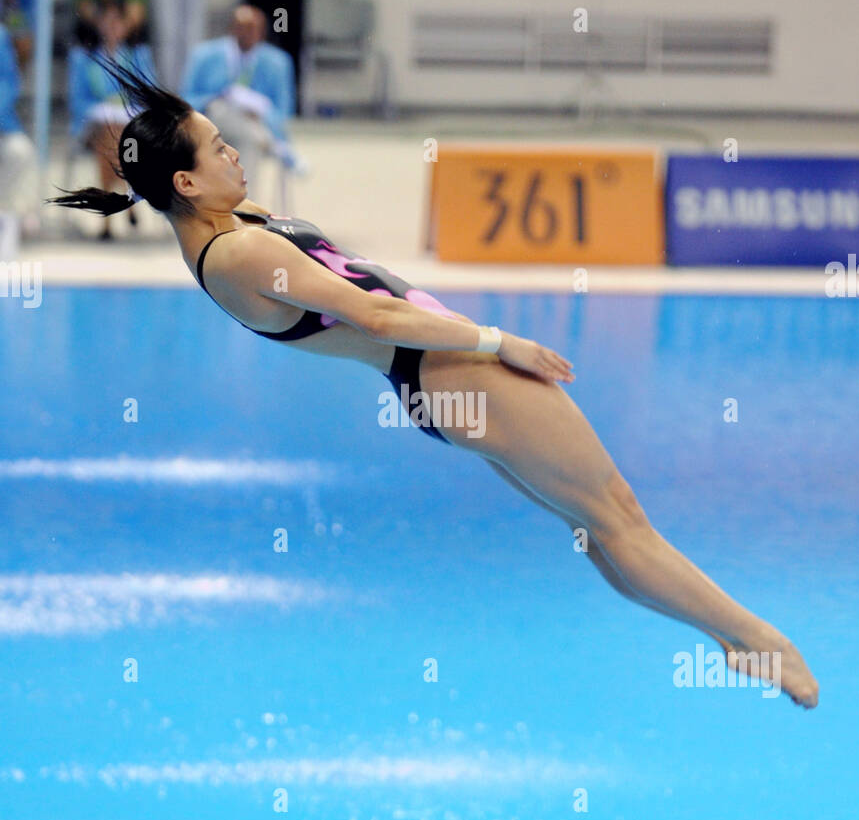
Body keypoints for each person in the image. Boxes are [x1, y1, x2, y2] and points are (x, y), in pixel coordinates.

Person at [48, 60, 820, 710]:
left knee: (595, 528)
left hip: (436, 377)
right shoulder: (234, 256)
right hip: (448, 368)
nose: (236, 153)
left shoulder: (224, 223)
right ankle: (760, 640)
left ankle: (730, 641)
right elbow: (379, 317)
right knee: (616, 515)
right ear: (186, 179)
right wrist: (499, 341)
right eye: (219, 148)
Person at [181, 4, 302, 189]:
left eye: (252, 29)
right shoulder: (204, 55)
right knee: (237, 123)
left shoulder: (278, 61)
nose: (246, 33)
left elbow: (284, 112)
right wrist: (217, 98)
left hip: (259, 126)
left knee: (249, 136)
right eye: (241, 27)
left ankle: (238, 202)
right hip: (213, 122)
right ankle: (243, 203)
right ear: (232, 28)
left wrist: (259, 110)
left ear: (262, 32)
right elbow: (185, 101)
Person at [67, 2, 156, 238]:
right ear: (98, 25)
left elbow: (147, 94)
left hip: (129, 128)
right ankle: (128, 197)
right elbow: (77, 101)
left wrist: (124, 109)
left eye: (117, 22)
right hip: (93, 126)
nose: (112, 28)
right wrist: (102, 109)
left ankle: (108, 214)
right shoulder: (83, 58)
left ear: (127, 26)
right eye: (107, 21)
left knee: (116, 134)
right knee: (110, 133)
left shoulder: (139, 56)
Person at [0, 23, 38, 251]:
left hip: (3, 126)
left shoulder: (0, 35)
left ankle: (8, 219)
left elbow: (9, 82)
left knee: (20, 151)